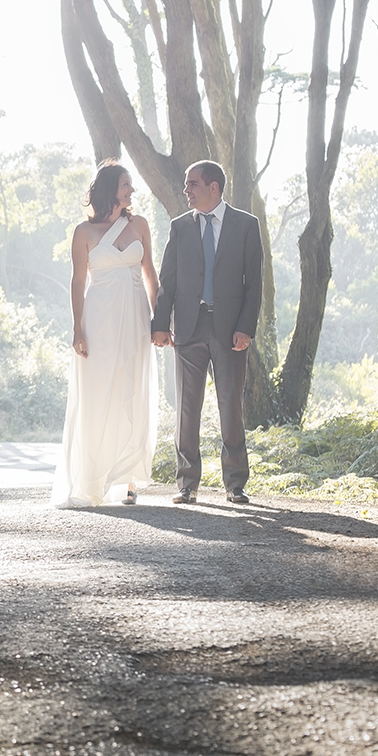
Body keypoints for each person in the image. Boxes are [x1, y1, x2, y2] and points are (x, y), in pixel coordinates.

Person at [152, 160, 264, 505]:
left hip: (230, 330)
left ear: (213, 187)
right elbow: (167, 279)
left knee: (231, 406)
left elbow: (255, 282)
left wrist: (246, 327)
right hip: (188, 327)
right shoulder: (180, 226)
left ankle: (235, 484)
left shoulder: (246, 225)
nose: (186, 190)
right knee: (187, 408)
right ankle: (187, 483)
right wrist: (160, 325)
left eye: (192, 184)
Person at [51, 161, 159, 509]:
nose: (131, 191)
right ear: (110, 187)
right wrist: (77, 328)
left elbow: (150, 275)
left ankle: (127, 480)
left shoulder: (140, 224)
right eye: (126, 184)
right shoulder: (84, 232)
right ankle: (93, 479)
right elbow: (78, 282)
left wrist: (160, 321)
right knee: (98, 395)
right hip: (98, 319)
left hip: (135, 317)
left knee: (132, 388)